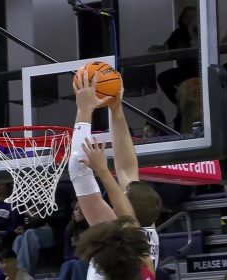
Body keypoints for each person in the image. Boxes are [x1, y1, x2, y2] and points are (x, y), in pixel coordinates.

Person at [69, 69, 159, 279]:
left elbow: (77, 167)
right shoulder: (141, 243)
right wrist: (116, 111)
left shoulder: (123, 241)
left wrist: (84, 110)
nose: (117, 199)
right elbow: (127, 169)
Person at [155, 6, 199, 131]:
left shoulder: (200, 30)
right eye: (187, 17)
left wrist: (193, 31)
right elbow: (167, 47)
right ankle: (179, 102)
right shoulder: (178, 33)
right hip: (183, 70)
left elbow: (197, 46)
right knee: (163, 77)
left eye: (192, 16)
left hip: (199, 69)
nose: (190, 19)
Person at [58, 202, 89, 280]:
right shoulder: (70, 228)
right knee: (67, 264)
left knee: (77, 265)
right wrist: (74, 258)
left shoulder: (92, 227)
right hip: (75, 259)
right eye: (76, 209)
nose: (78, 211)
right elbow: (67, 251)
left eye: (81, 209)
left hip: (89, 261)